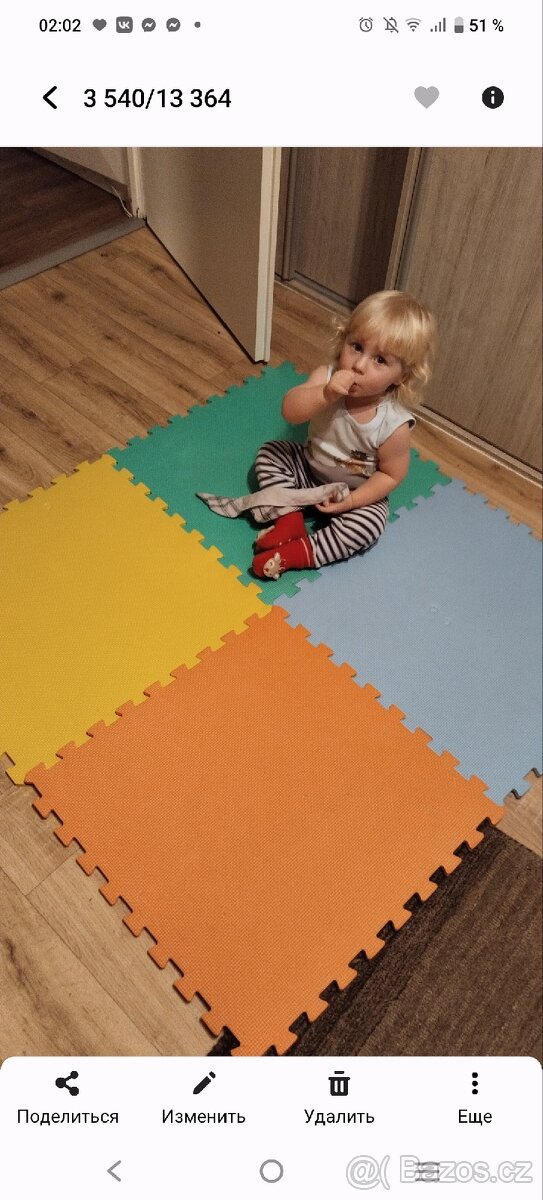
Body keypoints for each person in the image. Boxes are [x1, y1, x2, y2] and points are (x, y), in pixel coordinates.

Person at [251, 290, 436, 580]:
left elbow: (391, 475)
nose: (359, 365)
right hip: (309, 468)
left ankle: (299, 553)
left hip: (354, 491)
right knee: (270, 453)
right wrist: (324, 394)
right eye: (357, 347)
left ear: (402, 376)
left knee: (369, 525)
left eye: (380, 360)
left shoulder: (392, 424)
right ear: (343, 339)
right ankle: (289, 522)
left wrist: (352, 502)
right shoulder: (325, 377)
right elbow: (290, 411)